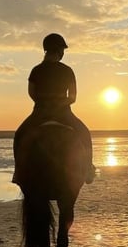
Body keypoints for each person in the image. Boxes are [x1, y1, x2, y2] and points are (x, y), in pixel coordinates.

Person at [13, 33, 96, 184]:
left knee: (19, 136)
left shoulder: (36, 70)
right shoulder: (67, 70)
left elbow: (31, 93)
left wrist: (43, 104)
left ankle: (19, 172)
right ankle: (88, 169)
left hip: (39, 113)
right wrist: (59, 105)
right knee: (84, 133)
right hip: (63, 113)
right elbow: (73, 97)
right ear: (59, 51)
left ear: (46, 50)